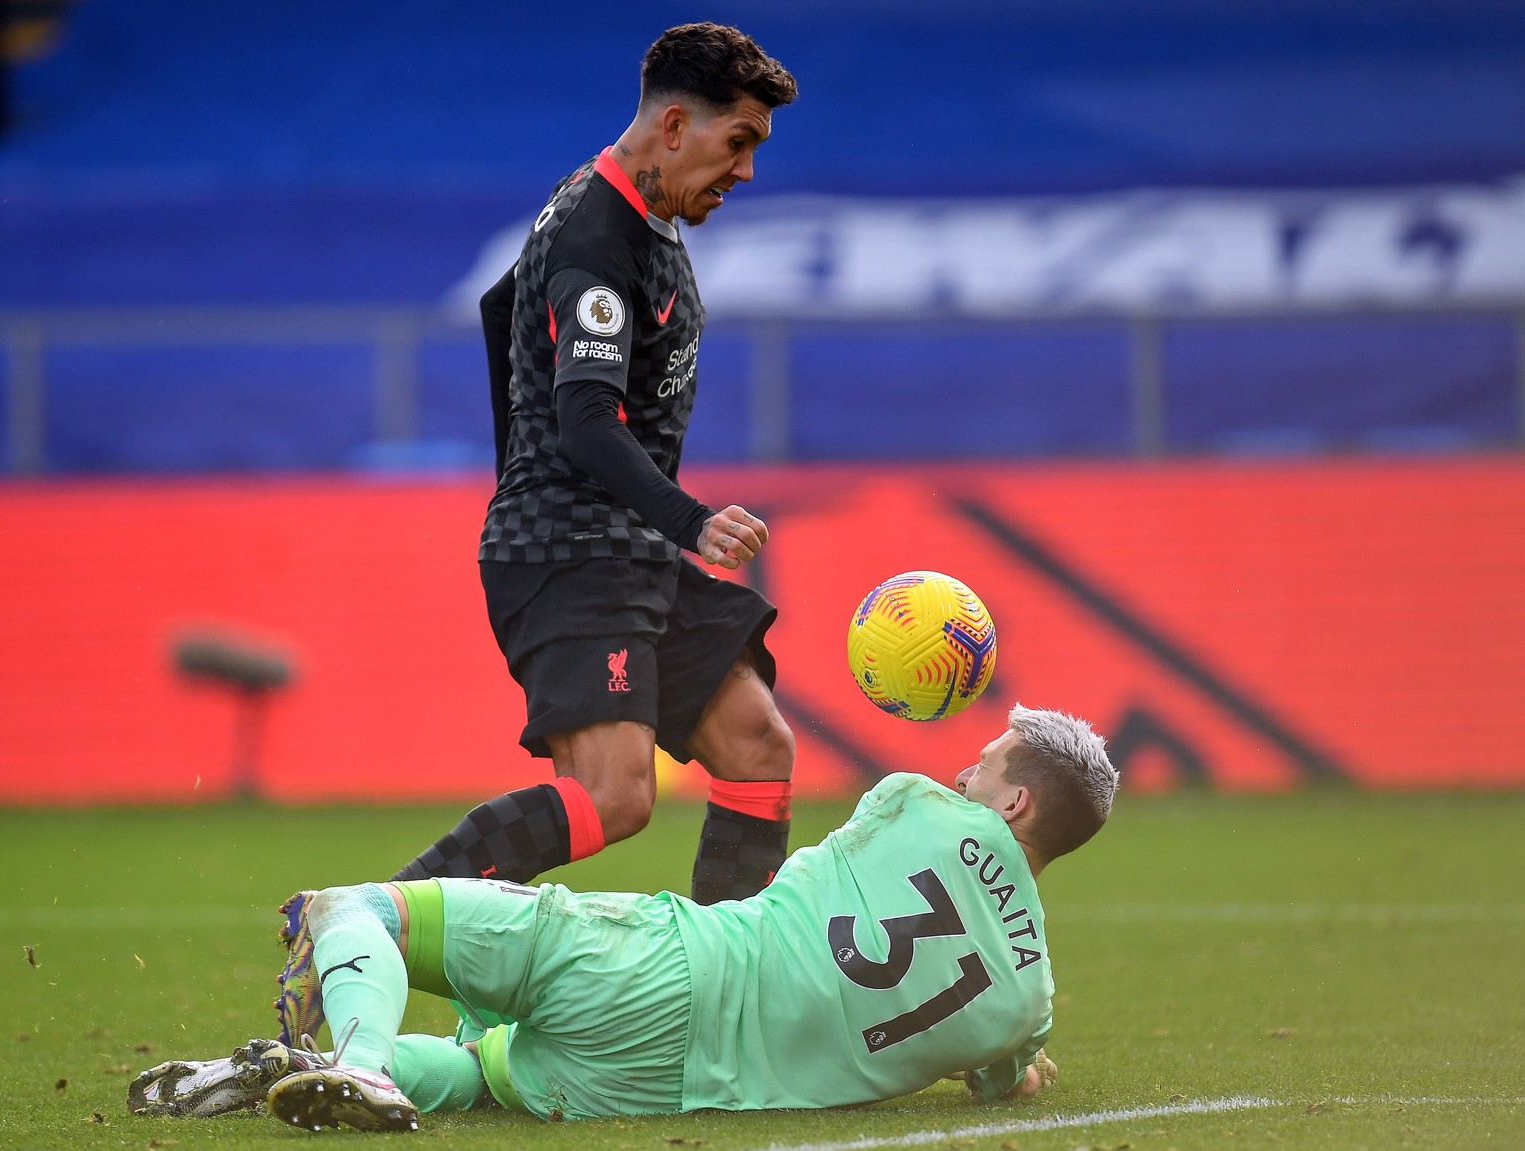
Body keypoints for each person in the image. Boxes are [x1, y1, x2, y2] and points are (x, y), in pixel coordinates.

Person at [273, 22, 800, 1047]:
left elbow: (497, 305)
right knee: (615, 794)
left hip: (621, 542)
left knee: (755, 744)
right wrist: (681, 513)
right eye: (739, 143)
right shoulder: (601, 231)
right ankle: (358, 926)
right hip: (572, 551)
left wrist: (531, 442)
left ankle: (731, 1003)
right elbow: (585, 421)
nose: (745, 169)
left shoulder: (632, 209)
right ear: (677, 123)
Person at [134, 706, 1118, 1131]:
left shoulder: (911, 800)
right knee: (484, 1069)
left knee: (361, 909)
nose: (963, 770)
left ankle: (352, 1053)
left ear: (1017, 800)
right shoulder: (1027, 999)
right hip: (655, 1088)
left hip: (665, 965)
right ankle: (312, 1069)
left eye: (985, 762)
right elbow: (1003, 1079)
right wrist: (1012, 1070)